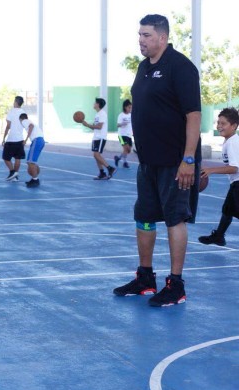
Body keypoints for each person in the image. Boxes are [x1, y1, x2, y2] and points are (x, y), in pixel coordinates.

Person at [113, 14, 202, 307]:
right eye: (139, 34)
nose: (141, 40)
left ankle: (175, 284)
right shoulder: (143, 67)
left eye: (147, 35)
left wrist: (188, 159)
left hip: (175, 161)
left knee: (174, 219)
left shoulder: (180, 67)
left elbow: (193, 116)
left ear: (162, 38)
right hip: (148, 160)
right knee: (144, 218)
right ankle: (145, 277)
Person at [198, 108, 239, 246]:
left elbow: (234, 168)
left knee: (232, 210)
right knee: (227, 209)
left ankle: (219, 236)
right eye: (218, 123)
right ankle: (219, 236)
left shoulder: (233, 142)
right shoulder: (229, 141)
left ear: (234, 126)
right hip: (235, 183)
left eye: (223, 123)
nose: (219, 126)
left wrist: (211, 170)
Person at [81, 98, 116, 180]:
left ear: (98, 104)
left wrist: (88, 125)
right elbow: (95, 127)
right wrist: (87, 124)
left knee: (97, 155)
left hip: (101, 137)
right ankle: (102, 173)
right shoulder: (97, 114)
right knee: (95, 155)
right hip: (96, 137)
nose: (94, 103)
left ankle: (110, 168)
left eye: (95, 103)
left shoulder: (102, 114)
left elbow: (100, 127)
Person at [2, 96, 26, 181]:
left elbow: (8, 126)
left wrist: (4, 138)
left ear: (16, 102)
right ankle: (15, 176)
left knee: (6, 158)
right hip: (20, 139)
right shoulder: (24, 112)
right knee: (17, 158)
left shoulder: (11, 112)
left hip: (11, 139)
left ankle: (12, 172)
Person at [20, 113, 45, 188]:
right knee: (30, 162)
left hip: (37, 140)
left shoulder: (24, 121)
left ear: (21, 119)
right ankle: (34, 177)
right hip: (40, 141)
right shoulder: (29, 121)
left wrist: (26, 139)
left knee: (31, 162)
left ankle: (35, 179)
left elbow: (31, 126)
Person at [114, 99, 133, 169]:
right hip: (121, 135)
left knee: (128, 150)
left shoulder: (131, 115)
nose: (130, 109)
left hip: (129, 135)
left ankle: (118, 158)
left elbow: (131, 125)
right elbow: (118, 125)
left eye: (131, 107)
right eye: (129, 107)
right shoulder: (121, 115)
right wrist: (122, 124)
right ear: (125, 107)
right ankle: (125, 162)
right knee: (126, 148)